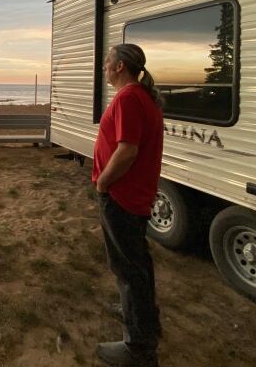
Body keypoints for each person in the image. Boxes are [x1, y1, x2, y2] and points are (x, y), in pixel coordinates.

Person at [93, 43, 164, 367]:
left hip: (122, 196)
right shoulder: (142, 97)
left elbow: (127, 150)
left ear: (120, 66)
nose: (104, 67)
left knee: (127, 268)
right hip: (135, 195)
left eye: (108, 62)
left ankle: (138, 349)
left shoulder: (129, 98)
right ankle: (137, 313)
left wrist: (104, 182)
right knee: (137, 265)